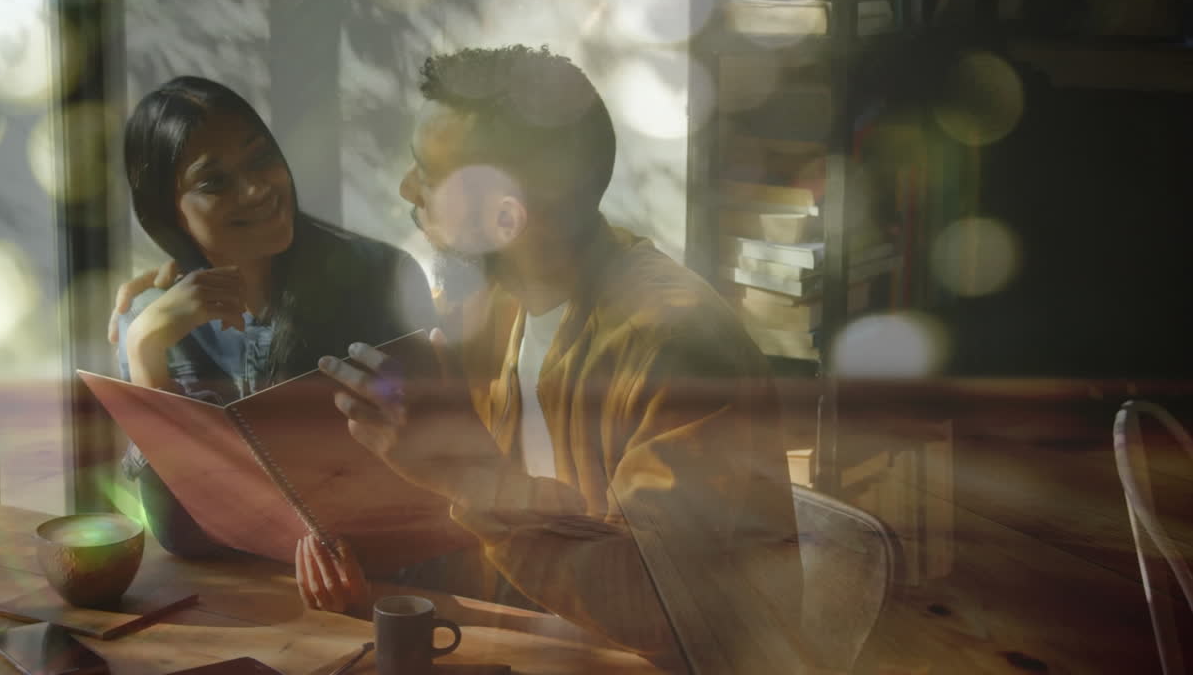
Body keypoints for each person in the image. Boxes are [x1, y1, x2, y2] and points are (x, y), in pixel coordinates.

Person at [315, 46, 806, 670]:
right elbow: (486, 522)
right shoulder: (494, 305)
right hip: (540, 646)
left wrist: (461, 470)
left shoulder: (678, 347)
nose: (407, 189)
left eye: (430, 176)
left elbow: (659, 605)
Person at [113, 75, 435, 615]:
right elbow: (178, 531)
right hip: (222, 609)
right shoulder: (152, 321)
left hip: (387, 599)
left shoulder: (379, 277)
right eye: (214, 182)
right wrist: (144, 352)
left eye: (260, 158)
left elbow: (434, 483)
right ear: (169, 212)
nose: (256, 190)